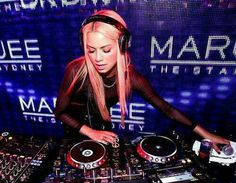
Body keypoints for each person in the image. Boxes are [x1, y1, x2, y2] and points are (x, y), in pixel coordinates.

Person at [54, 9, 229, 153]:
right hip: (76, 129)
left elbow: (166, 108)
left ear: (122, 45)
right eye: (91, 51)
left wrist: (206, 134)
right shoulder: (75, 70)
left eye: (106, 50)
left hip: (103, 126)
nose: (98, 58)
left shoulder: (130, 76)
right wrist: (90, 132)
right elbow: (60, 112)